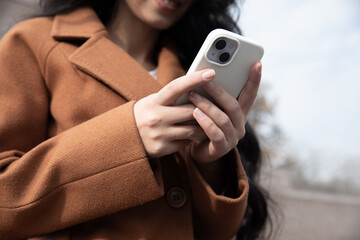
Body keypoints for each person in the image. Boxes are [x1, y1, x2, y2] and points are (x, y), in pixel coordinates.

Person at [0, 0, 270, 239]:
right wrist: (129, 137)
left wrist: (209, 165)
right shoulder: (34, 41)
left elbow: (218, 233)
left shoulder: (191, 70)